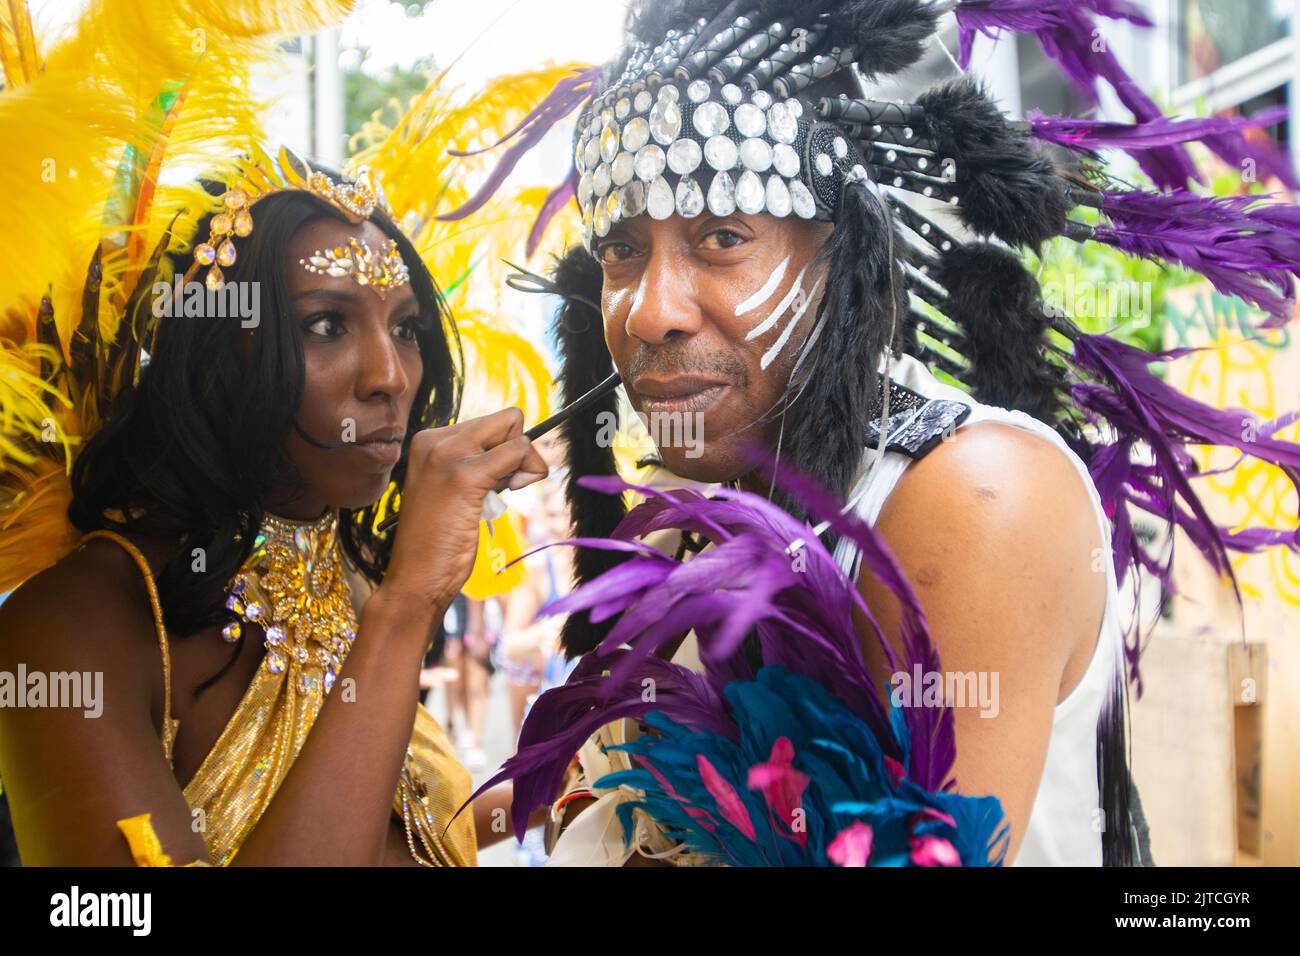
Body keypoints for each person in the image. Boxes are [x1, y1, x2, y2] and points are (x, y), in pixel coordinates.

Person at [447, 0, 1300, 866]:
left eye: (722, 237)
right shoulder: (716, 506)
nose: (650, 310)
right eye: (623, 251)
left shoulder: (971, 494)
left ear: (843, 257)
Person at [0, 149, 550, 866]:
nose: (390, 376)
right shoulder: (66, 629)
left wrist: (566, 781)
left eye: (406, 328)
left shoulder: (351, 582)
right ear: (218, 351)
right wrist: (407, 605)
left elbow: (396, 836)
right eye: (326, 325)